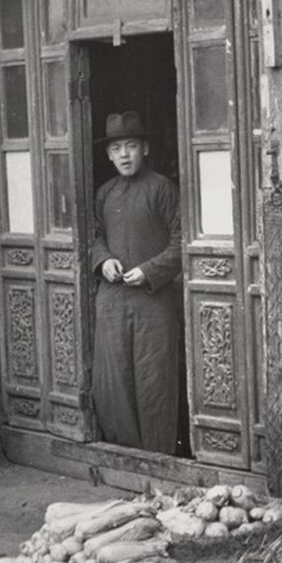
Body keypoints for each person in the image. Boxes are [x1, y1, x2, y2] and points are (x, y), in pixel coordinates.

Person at [91, 111, 182, 454]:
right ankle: (122, 455)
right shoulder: (105, 194)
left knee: (153, 379)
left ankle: (158, 456)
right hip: (112, 300)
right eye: (117, 148)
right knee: (114, 377)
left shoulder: (161, 189)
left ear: (144, 148)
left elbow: (181, 241)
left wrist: (149, 271)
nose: (125, 155)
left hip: (153, 301)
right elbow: (94, 236)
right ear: (109, 155)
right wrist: (104, 260)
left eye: (131, 146)